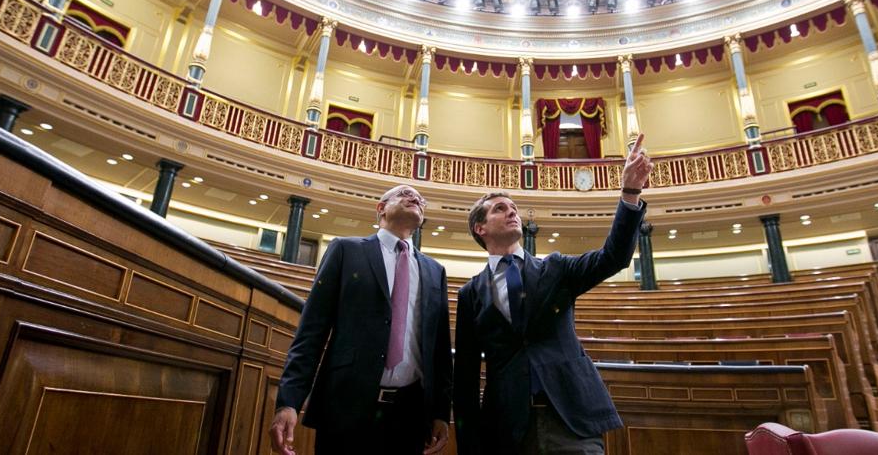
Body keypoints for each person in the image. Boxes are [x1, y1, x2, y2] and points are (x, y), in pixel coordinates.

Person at [454, 134, 654, 455]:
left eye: (514, 208)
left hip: (569, 417)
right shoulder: (470, 294)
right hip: (507, 429)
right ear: (481, 228)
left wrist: (629, 192)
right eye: (500, 209)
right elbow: (464, 377)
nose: (512, 212)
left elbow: (613, 257)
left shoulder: (556, 268)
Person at [270, 185, 451, 455]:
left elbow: (439, 349)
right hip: (346, 405)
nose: (415, 198)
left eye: (420, 199)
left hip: (409, 414)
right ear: (381, 208)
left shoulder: (435, 271)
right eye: (405, 194)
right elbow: (311, 332)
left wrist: (440, 412)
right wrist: (289, 402)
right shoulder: (346, 250)